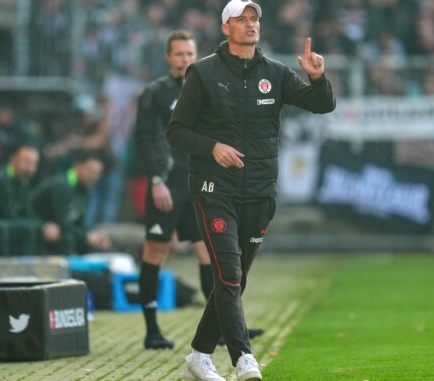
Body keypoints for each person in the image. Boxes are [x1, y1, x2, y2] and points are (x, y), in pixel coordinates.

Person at [166, 1, 336, 380]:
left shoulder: (274, 72)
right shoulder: (203, 72)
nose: (249, 24)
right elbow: (176, 131)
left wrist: (317, 78)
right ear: (225, 28)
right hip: (214, 190)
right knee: (227, 275)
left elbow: (322, 105)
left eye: (254, 18)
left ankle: (197, 356)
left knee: (235, 281)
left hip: (260, 191)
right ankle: (244, 358)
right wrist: (212, 147)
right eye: (240, 19)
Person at [135, 29, 264, 350]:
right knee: (156, 251)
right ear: (168, 58)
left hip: (198, 184)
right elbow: (145, 139)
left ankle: (221, 330)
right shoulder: (154, 93)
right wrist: (155, 179)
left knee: (210, 254)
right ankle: (151, 331)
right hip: (166, 185)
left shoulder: (207, 86)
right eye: (179, 54)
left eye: (190, 53)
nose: (185, 59)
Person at [31, 150, 111, 255]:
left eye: (97, 173)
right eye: (90, 171)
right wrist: (85, 237)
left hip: (61, 233)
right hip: (39, 234)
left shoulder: (85, 189)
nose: (94, 177)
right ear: (78, 166)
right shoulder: (62, 186)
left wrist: (93, 234)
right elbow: (62, 224)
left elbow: (79, 222)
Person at [0, 144, 59, 256]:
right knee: (27, 230)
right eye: (26, 162)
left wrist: (45, 226)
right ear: (13, 159)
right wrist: (41, 228)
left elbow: (28, 213)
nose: (30, 168)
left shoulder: (23, 183)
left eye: (34, 164)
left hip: (9, 237)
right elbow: (9, 216)